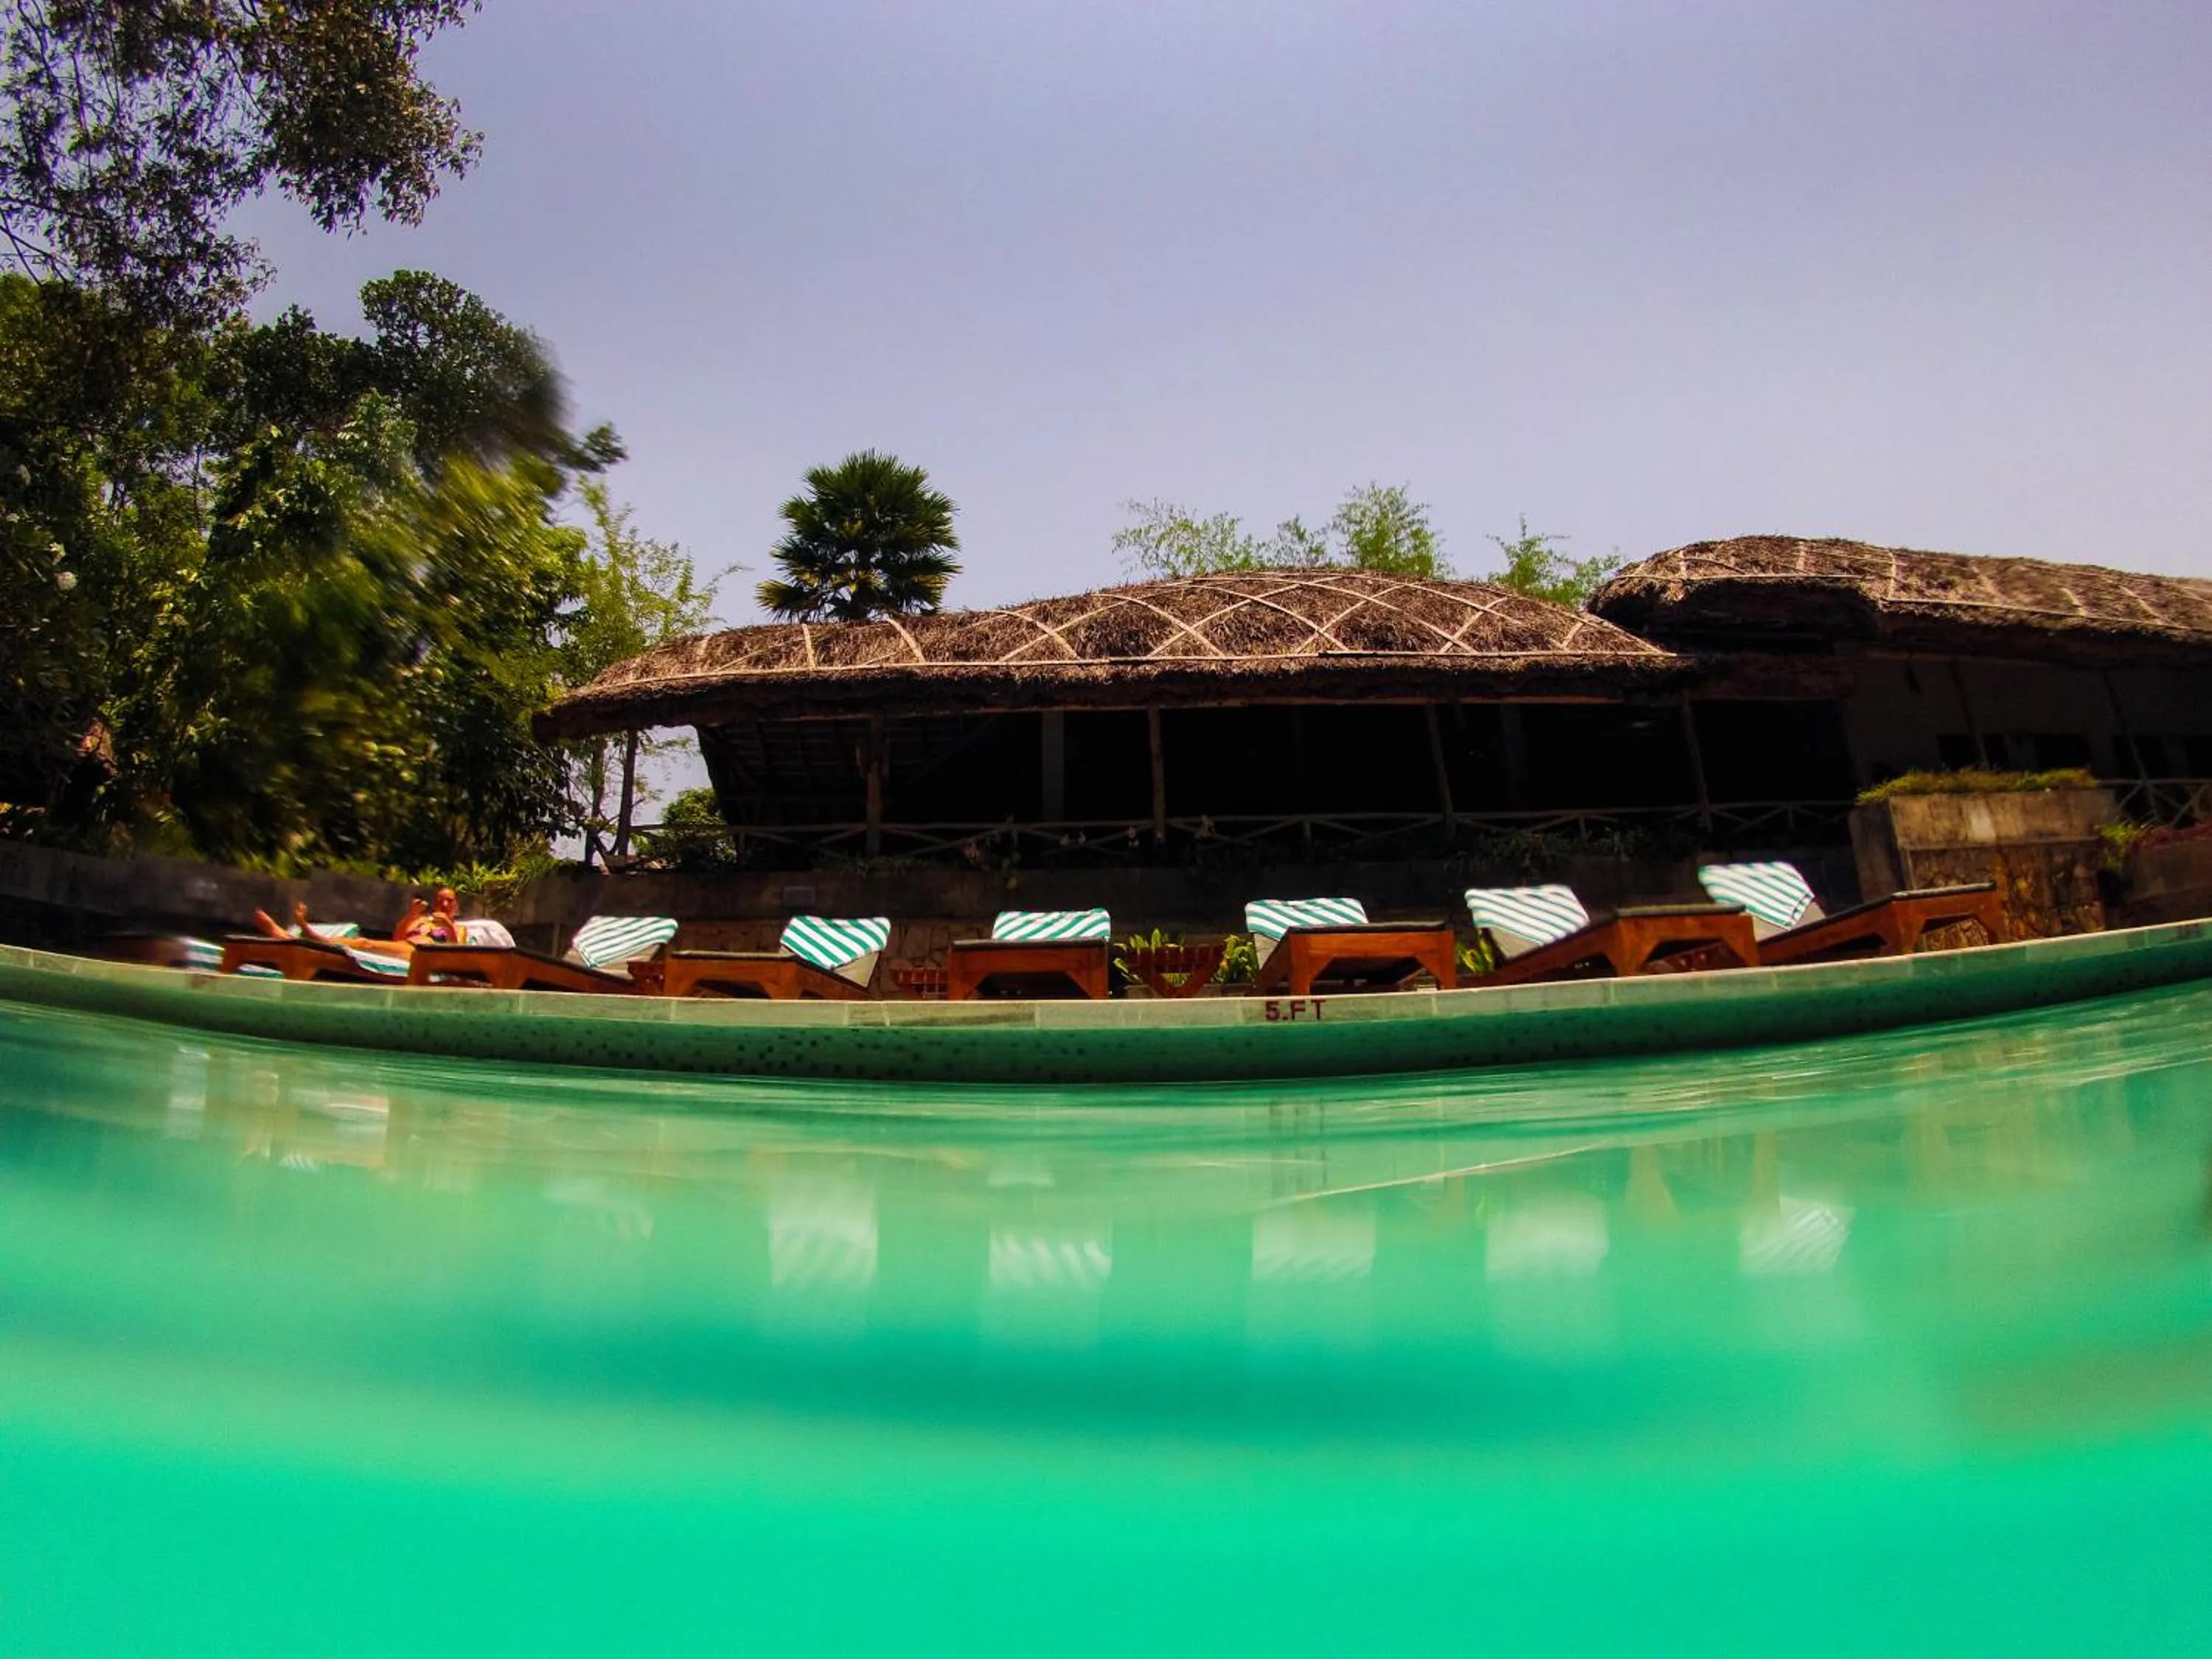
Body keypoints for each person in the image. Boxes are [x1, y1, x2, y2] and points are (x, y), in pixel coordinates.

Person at [251, 888, 460, 961]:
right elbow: (397, 937)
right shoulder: (422, 920)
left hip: (421, 954)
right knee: (362, 943)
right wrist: (411, 915)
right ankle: (292, 937)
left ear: (456, 905)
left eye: (449, 900)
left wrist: (449, 928)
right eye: (441, 899)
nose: (444, 903)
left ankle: (308, 934)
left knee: (364, 943)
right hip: (404, 947)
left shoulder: (459, 928)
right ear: (434, 902)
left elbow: (458, 954)